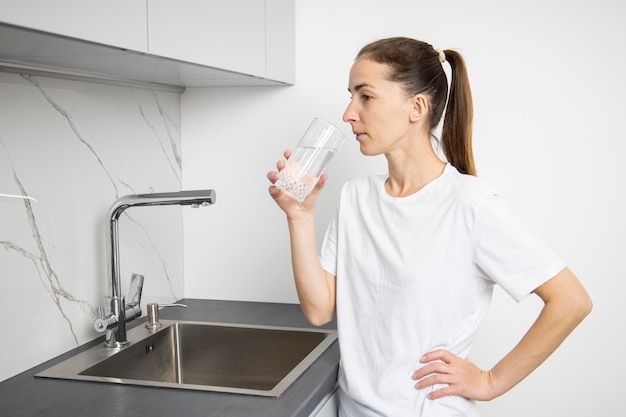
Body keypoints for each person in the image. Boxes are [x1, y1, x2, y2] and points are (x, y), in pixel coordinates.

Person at [267, 37, 592, 417]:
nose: (348, 113)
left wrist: (490, 382)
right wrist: (300, 217)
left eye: (365, 97)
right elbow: (320, 310)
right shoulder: (355, 197)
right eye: (350, 96)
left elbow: (571, 301)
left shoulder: (469, 204)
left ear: (416, 107)